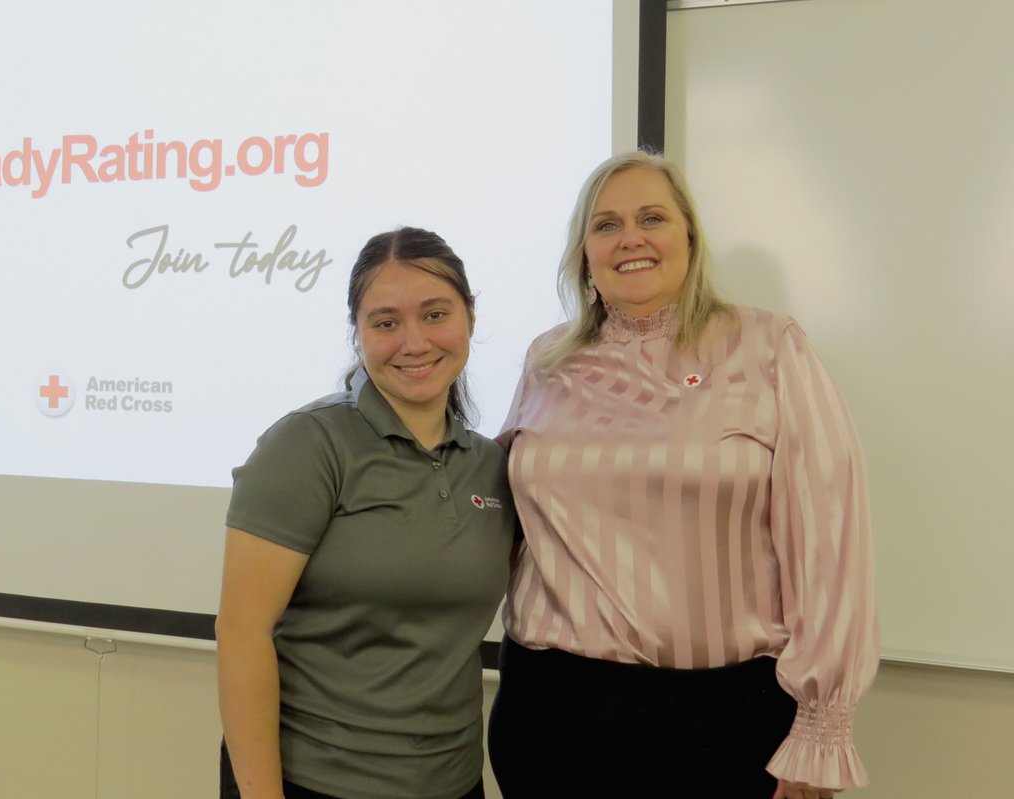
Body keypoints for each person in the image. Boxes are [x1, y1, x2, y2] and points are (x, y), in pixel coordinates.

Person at [486, 151, 880, 799]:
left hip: (723, 720)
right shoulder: (546, 359)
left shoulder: (770, 347)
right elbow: (507, 518)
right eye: (606, 224)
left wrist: (821, 728)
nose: (630, 237)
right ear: (585, 253)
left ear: (690, 239)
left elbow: (831, 538)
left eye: (651, 217)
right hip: (549, 713)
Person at [216, 226, 517, 799]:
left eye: (435, 314)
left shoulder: (492, 466)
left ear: (470, 319)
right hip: (316, 782)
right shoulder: (308, 445)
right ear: (357, 335)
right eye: (385, 323)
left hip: (453, 781)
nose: (413, 341)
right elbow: (241, 633)